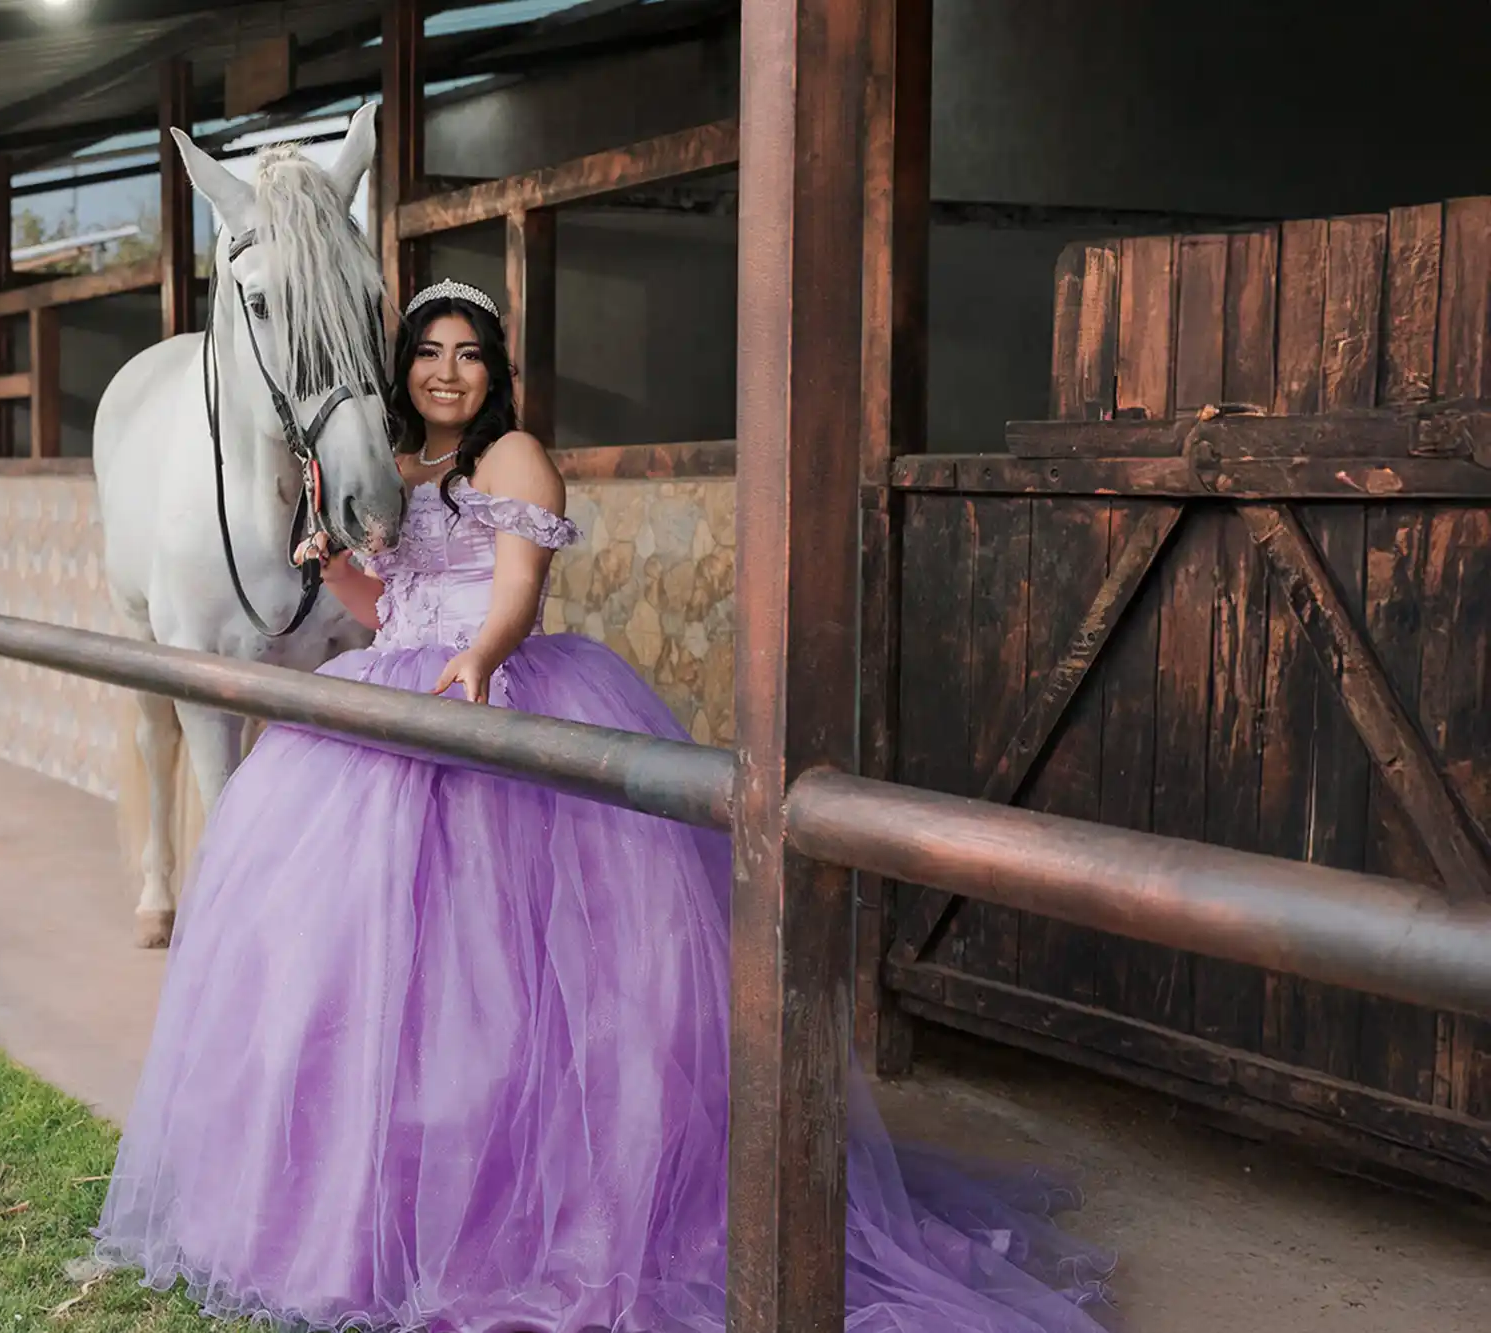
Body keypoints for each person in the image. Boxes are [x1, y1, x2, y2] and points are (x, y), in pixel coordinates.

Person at [91, 279, 1119, 1333]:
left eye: (468, 354)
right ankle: (368, 1210)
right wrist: (335, 568)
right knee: (367, 973)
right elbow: (386, 604)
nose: (446, 371)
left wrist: (480, 660)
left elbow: (516, 593)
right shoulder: (396, 470)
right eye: (428, 353)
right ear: (402, 369)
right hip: (394, 693)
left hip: (495, 695)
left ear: (495, 370)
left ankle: (544, 1204)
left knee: (521, 968)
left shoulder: (515, 458)